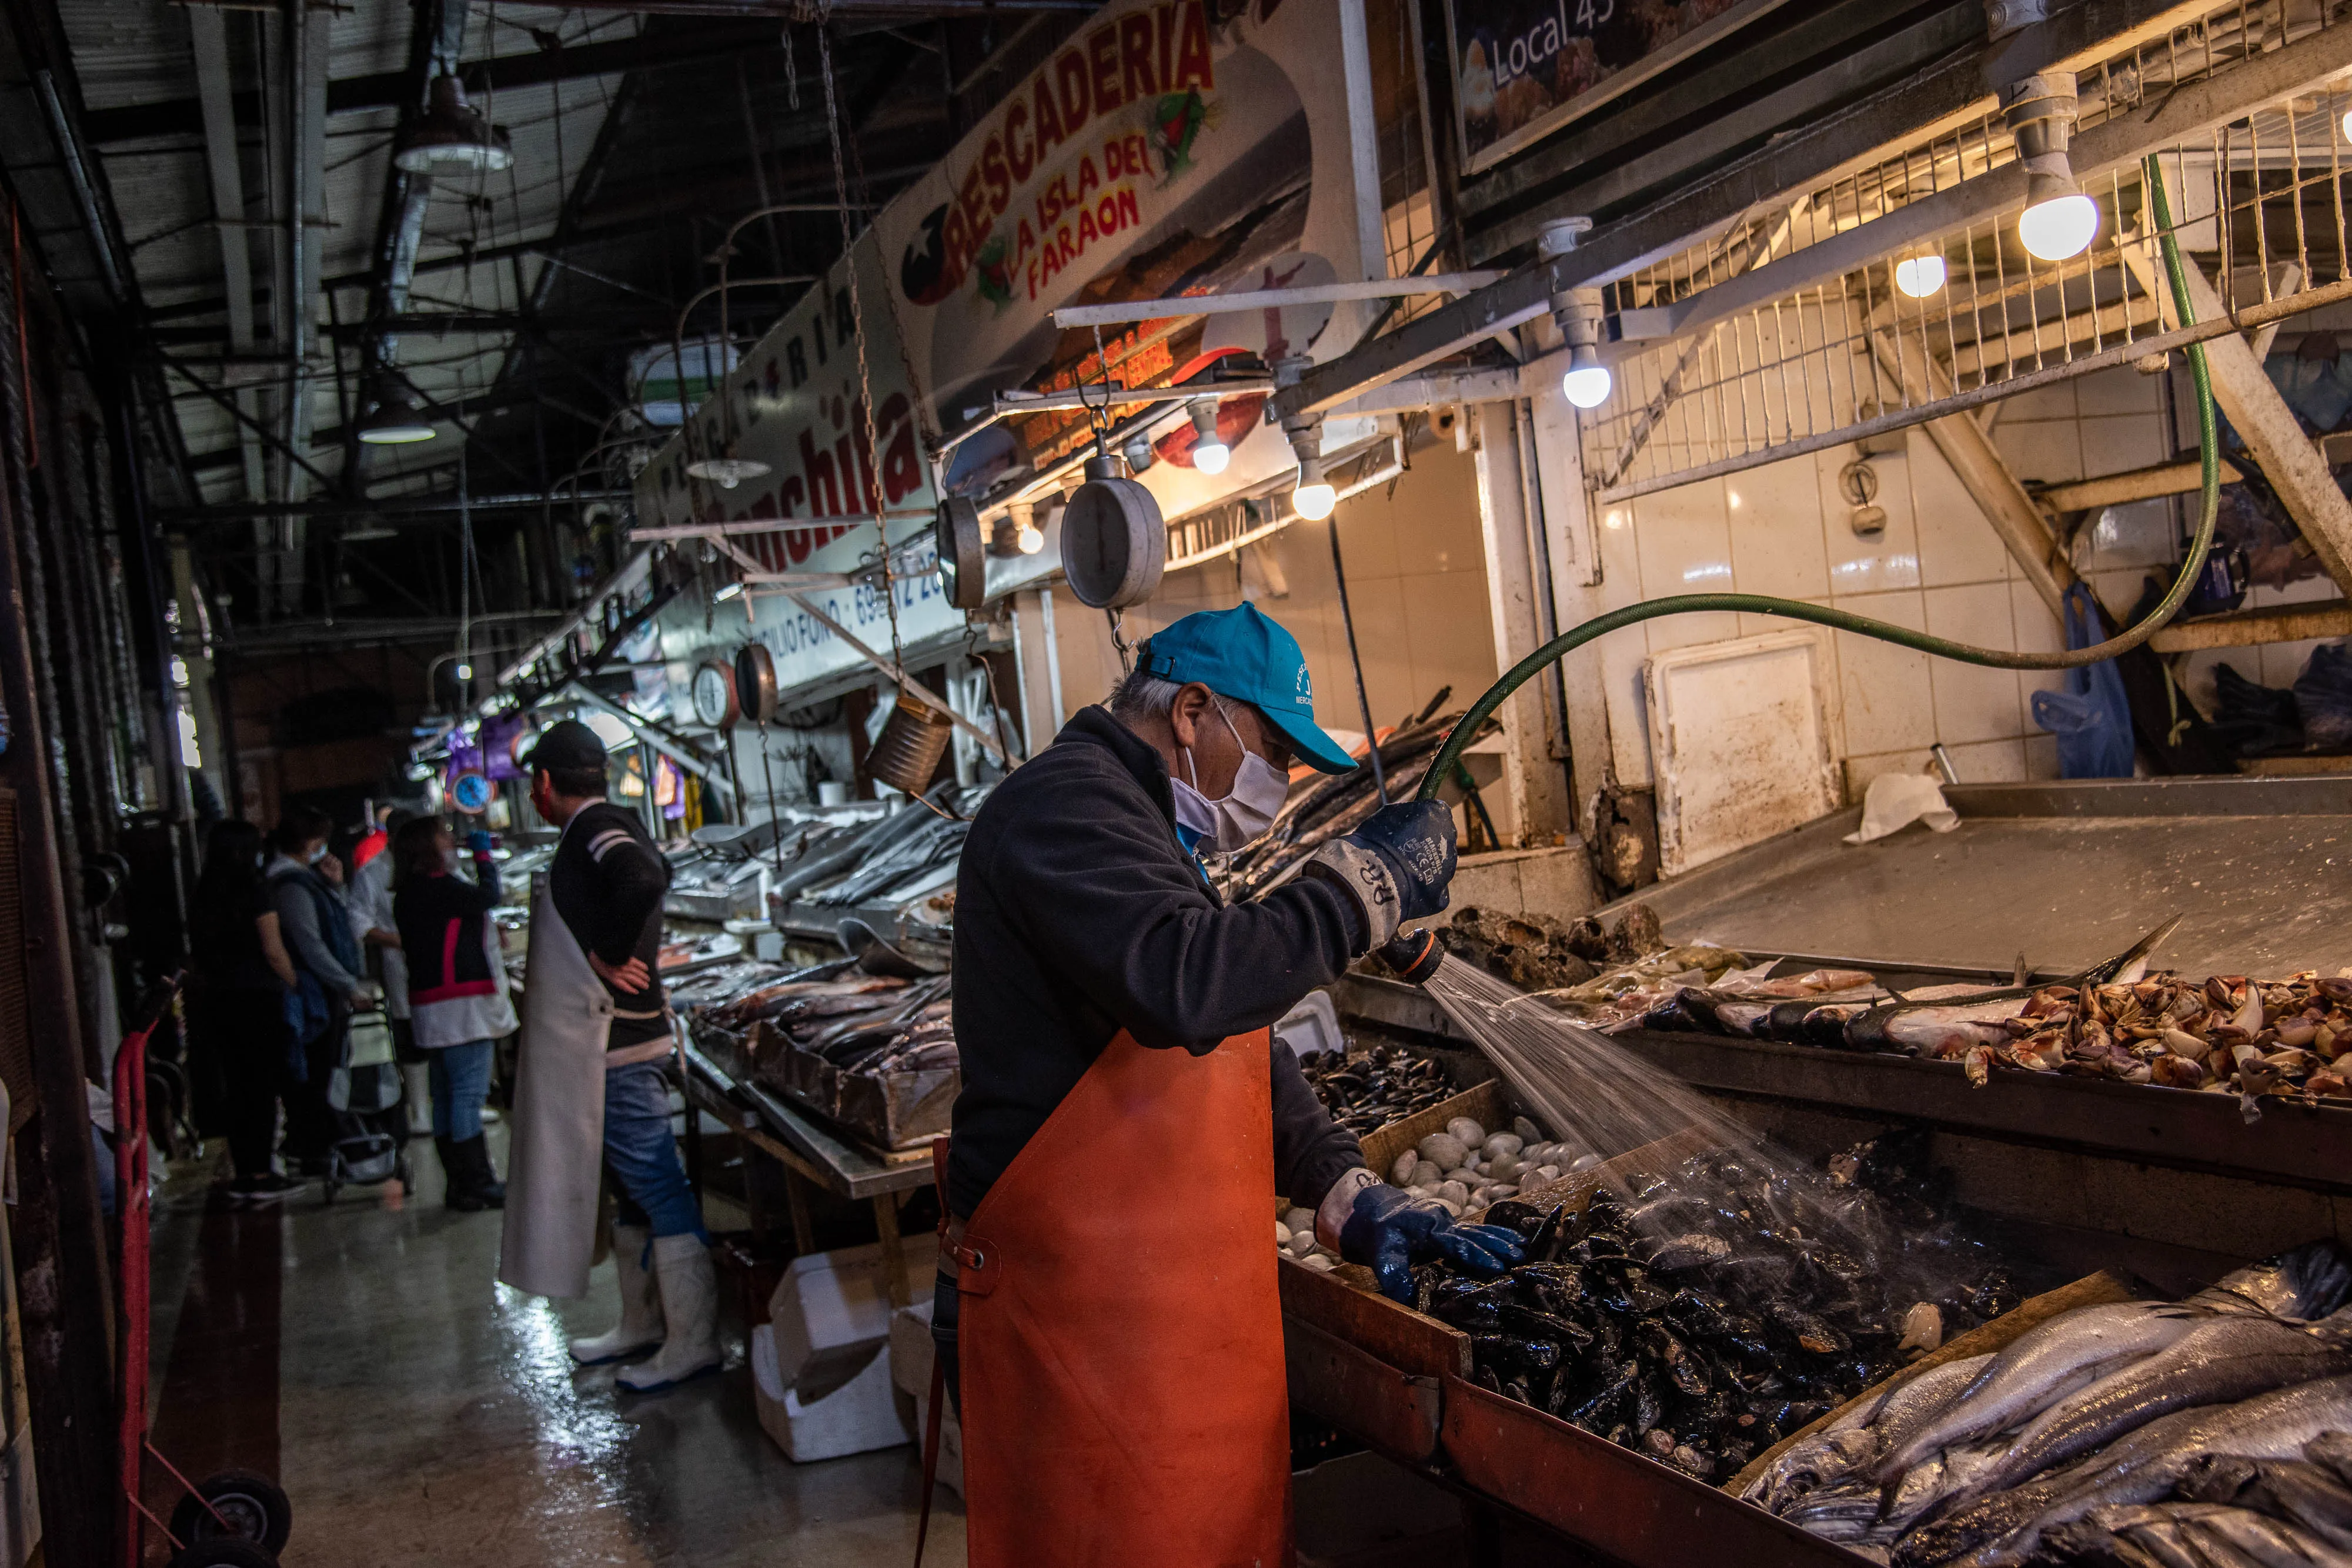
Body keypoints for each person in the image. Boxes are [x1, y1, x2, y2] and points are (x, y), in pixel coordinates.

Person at [938, 602, 1509, 1568]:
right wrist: (1355, 892)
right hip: (1070, 1325)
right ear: (1194, 712)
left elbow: (1229, 1040)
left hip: (1148, 1320)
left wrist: (1343, 1187)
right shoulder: (1066, 804)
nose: (1279, 786)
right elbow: (1186, 984)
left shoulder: (1144, 822)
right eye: (1275, 754)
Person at [497, 721, 716, 1393]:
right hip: (606, 1043)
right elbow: (663, 867)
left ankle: (694, 1344)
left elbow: (645, 876)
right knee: (625, 1185)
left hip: (618, 1044)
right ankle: (642, 1323)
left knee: (655, 1181)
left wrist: (610, 952)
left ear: (541, 784)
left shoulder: (594, 829)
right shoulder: (604, 825)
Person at [391, 815, 515, 1211]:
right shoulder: (438, 888)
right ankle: (477, 1182)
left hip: (430, 1004)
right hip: (460, 1006)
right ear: (428, 848)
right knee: (467, 1094)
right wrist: (482, 855)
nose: (450, 841)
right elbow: (488, 896)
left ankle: (458, 1185)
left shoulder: (408, 891)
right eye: (443, 836)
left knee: (446, 1094)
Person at [186, 820, 301, 1202]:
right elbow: (272, 948)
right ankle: (261, 1172)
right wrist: (296, 981)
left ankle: (244, 1169)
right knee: (262, 1086)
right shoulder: (254, 887)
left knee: (236, 1087)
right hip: (258, 997)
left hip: (219, 999)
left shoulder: (204, 891)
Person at [265, 805, 370, 1170]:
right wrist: (347, 985)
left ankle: (322, 1144)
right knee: (317, 1074)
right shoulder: (290, 885)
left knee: (325, 1071)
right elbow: (311, 944)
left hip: (323, 989)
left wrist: (336, 887)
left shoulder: (306, 879)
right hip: (314, 995)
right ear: (311, 842)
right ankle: (314, 1148)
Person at [349, 808, 431, 1136]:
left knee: (447, 1035)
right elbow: (359, 922)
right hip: (401, 966)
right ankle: (420, 1110)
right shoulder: (372, 873)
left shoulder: (432, 864)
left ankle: (456, 1103)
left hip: (441, 967)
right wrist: (399, 939)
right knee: (411, 1036)